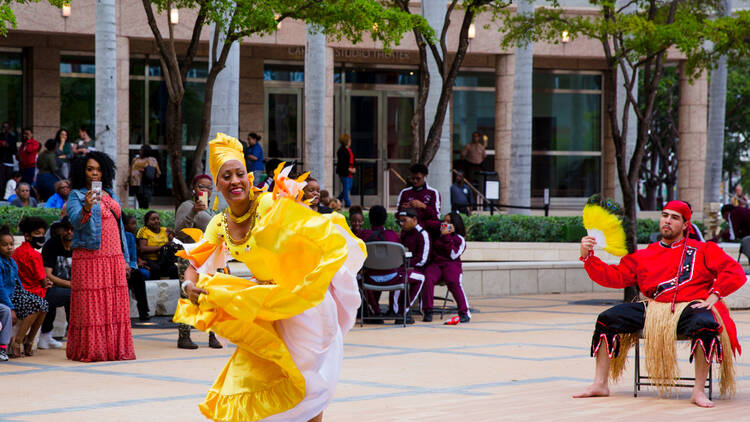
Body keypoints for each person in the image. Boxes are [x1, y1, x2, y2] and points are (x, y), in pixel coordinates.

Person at [175, 133, 364, 422]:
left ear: (249, 178)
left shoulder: (267, 205)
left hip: (303, 302)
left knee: (307, 383)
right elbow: (195, 264)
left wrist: (295, 207)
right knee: (259, 379)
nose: (235, 181)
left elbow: (305, 227)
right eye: (227, 176)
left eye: (240, 173)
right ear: (217, 185)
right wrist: (189, 285)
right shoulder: (219, 223)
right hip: (267, 305)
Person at [576, 200, 745, 408]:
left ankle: (698, 391)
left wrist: (715, 295)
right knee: (607, 319)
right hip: (654, 309)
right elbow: (615, 276)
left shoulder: (702, 249)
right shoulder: (645, 255)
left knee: (705, 324)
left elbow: (734, 271)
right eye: (665, 215)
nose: (667, 221)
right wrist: (588, 257)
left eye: (674, 217)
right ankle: (600, 384)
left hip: (690, 307)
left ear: (685, 225)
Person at [66, 151, 135, 362]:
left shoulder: (111, 194)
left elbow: (120, 227)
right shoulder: (75, 195)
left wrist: (125, 258)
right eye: (90, 169)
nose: (95, 173)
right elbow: (76, 222)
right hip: (90, 258)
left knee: (115, 305)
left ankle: (114, 349)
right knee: (91, 305)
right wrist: (86, 206)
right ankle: (93, 350)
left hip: (113, 256)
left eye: (98, 169)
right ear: (82, 172)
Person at [173, 174, 221, 349]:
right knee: (187, 296)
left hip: (211, 258)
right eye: (202, 186)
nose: (205, 190)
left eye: (209, 188)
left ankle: (213, 335)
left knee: (213, 295)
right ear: (194, 189)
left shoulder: (211, 210)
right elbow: (179, 232)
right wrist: (194, 211)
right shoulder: (187, 206)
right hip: (190, 258)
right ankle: (184, 337)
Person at [0, 225, 47, 358]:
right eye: (5, 245)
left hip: (15, 293)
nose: (9, 247)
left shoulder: (11, 261)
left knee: (44, 305)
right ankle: (17, 342)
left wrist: (27, 295)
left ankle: (29, 340)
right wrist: (11, 307)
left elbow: (17, 282)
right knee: (35, 306)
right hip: (6, 297)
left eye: (11, 244)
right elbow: (1, 288)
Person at [422, 212, 470, 323]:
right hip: (436, 264)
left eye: (448, 222)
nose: (445, 224)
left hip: (451, 264)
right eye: (444, 221)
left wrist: (447, 236)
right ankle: (428, 311)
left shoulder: (459, 239)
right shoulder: (436, 234)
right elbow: (427, 223)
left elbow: (453, 255)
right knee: (428, 278)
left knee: (453, 281)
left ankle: (464, 312)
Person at [357, 205, 400, 319]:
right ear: (385, 219)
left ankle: (375, 312)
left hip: (371, 279)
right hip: (393, 279)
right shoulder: (393, 235)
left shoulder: (363, 235)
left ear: (369, 219)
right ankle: (396, 310)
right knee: (403, 274)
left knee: (358, 277)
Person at [39, 218, 74, 349]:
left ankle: (74, 335)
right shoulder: (52, 245)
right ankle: (46, 335)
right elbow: (47, 274)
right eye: (66, 228)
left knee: (77, 295)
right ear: (61, 229)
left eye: (72, 229)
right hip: (52, 286)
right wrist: (70, 284)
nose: (69, 232)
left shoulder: (79, 245)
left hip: (73, 287)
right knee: (70, 295)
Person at [394, 208, 430, 324]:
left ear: (414, 220)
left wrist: (407, 264)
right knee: (396, 276)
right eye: (400, 221)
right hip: (403, 267)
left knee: (416, 278)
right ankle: (395, 310)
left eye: (404, 221)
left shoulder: (422, 234)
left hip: (417, 268)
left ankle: (403, 310)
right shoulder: (405, 232)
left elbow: (422, 260)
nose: (402, 224)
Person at [122, 215, 150, 321]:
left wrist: (130, 268)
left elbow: (133, 257)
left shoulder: (129, 236)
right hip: (116, 269)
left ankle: (143, 311)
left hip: (129, 268)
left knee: (137, 276)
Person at [396, 163, 441, 227]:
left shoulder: (433, 192)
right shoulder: (404, 192)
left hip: (427, 231)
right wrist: (404, 210)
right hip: (409, 230)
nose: (415, 181)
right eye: (413, 178)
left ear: (425, 176)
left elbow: (436, 217)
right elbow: (397, 215)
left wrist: (423, 206)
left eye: (418, 178)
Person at [136, 211, 176, 280]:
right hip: (149, 259)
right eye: (153, 219)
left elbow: (173, 242)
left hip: (164, 259)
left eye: (158, 219)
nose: (156, 221)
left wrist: (173, 235)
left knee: (174, 268)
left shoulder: (165, 230)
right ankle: (155, 290)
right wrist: (161, 247)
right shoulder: (143, 231)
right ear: (147, 222)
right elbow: (142, 249)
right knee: (156, 269)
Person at [129, 144, 161, 209]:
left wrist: (146, 171)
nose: (139, 151)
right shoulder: (135, 159)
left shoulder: (152, 160)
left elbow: (157, 173)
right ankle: (142, 213)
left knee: (145, 202)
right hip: (135, 184)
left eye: (141, 150)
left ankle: (145, 215)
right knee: (140, 201)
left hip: (145, 184)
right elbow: (130, 170)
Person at [336, 134, 356, 208]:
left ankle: (338, 199)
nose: (350, 141)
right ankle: (348, 203)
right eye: (349, 140)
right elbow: (342, 162)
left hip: (350, 172)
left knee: (348, 187)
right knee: (346, 187)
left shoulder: (349, 150)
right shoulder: (341, 150)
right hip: (344, 172)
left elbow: (352, 160)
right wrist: (349, 169)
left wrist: (353, 168)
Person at [0, 122, 18, 193]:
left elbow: (14, 149)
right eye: (4, 127)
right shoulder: (1, 136)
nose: (5, 129)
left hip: (8, 161)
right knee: (1, 179)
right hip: (1, 160)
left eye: (6, 127)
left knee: (8, 179)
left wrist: (8, 145)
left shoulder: (12, 137)